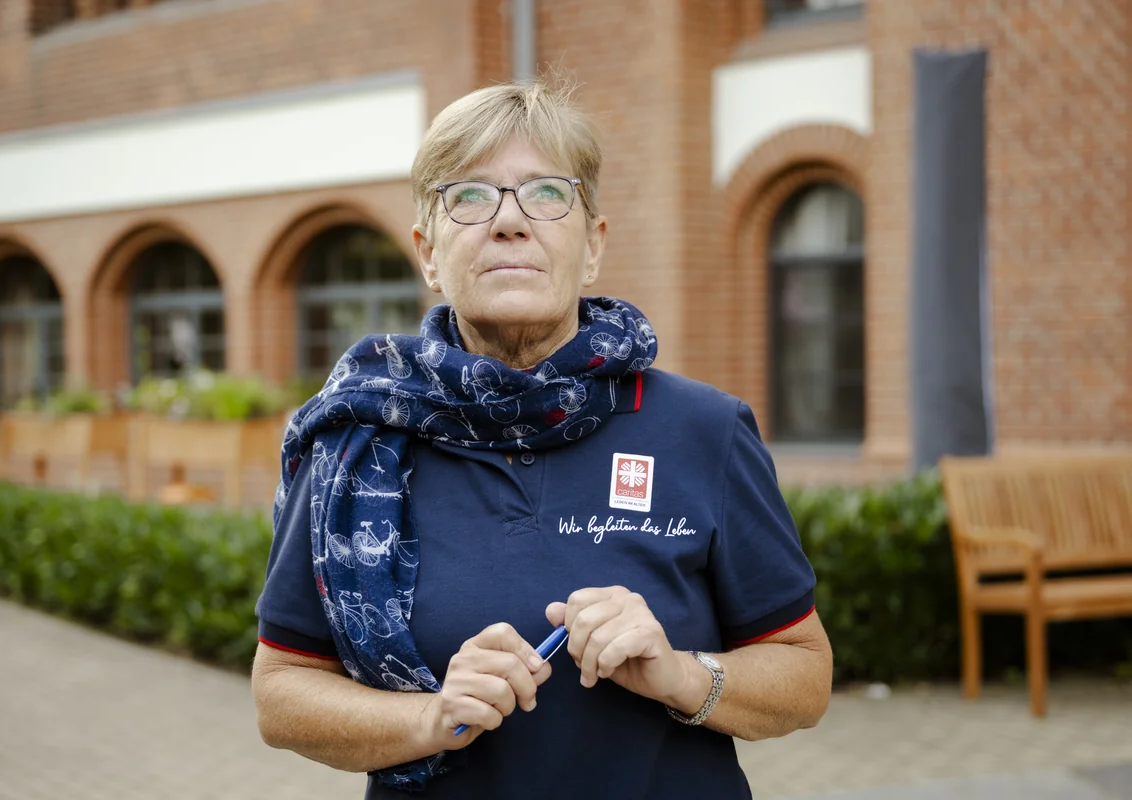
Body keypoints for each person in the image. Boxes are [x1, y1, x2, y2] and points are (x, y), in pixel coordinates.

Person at [251, 77, 832, 799]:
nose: (508, 221)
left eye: (547, 193)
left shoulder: (705, 430)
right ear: (427, 253)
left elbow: (804, 673)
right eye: (469, 196)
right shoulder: (357, 441)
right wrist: (430, 718)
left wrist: (681, 675)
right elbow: (282, 690)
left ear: (592, 246)